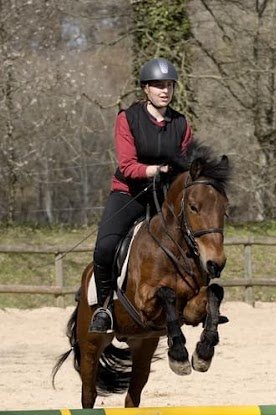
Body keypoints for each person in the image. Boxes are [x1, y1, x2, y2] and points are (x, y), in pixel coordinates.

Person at [89, 57, 193, 333]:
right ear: (145, 89)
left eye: (169, 85)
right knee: (105, 247)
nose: (164, 90)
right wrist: (155, 170)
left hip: (165, 196)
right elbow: (127, 165)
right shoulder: (128, 118)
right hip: (129, 194)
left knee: (195, 241)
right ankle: (103, 308)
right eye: (158, 85)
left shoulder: (181, 124)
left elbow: (183, 164)